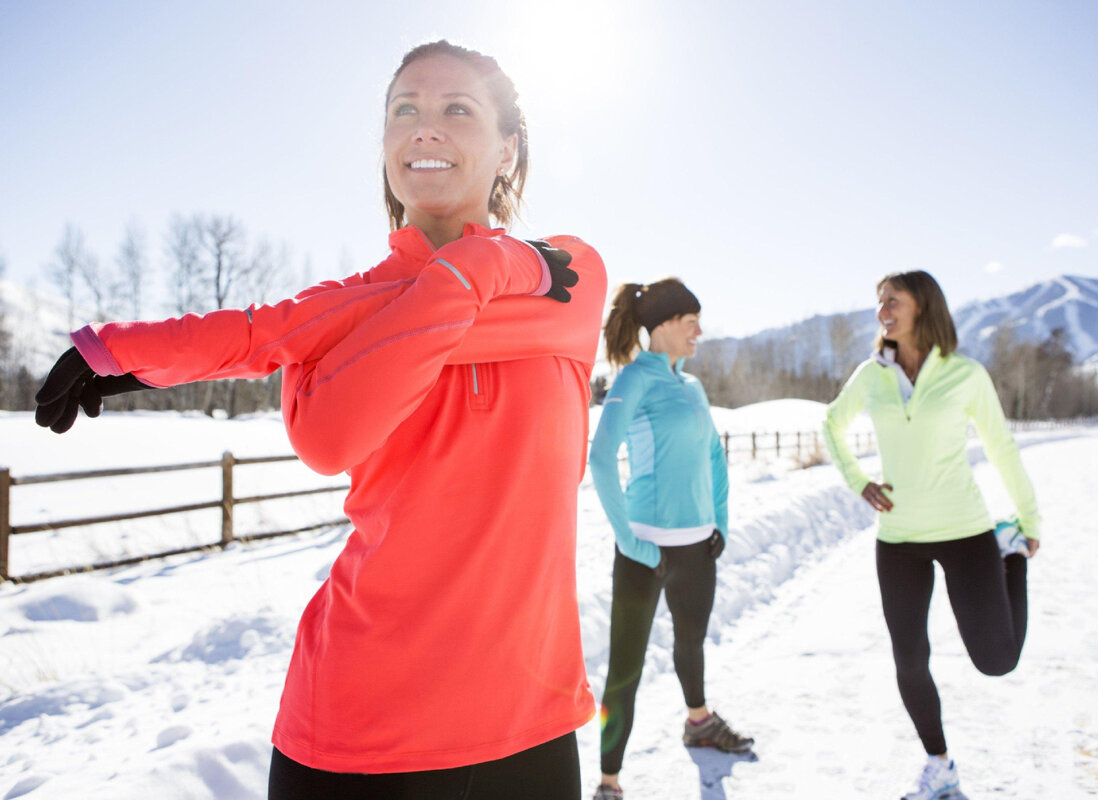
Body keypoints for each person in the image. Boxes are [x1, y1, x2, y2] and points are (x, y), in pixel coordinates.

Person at [34, 40, 607, 800]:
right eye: (404, 110)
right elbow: (327, 430)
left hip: (529, 727)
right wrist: (121, 351)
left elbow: (273, 335)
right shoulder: (355, 306)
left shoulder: (568, 276)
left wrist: (477, 267)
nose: (424, 128)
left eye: (456, 109)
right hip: (355, 733)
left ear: (508, 151)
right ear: (384, 147)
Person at [822, 270, 1040, 800]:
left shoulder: (964, 374)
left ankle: (1011, 555)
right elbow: (831, 424)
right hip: (897, 539)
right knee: (910, 660)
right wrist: (858, 481)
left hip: (966, 532)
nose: (882, 312)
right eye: (879, 302)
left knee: (996, 661)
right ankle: (938, 765)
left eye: (891, 301)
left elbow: (1000, 447)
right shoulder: (871, 375)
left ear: (923, 305)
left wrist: (1028, 520)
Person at [587, 278, 753, 800]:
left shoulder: (694, 386)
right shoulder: (634, 379)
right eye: (690, 323)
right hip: (645, 551)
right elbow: (599, 458)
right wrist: (629, 540)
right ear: (661, 326)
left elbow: (713, 458)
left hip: (699, 548)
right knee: (625, 672)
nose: (699, 332)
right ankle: (609, 780)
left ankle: (698, 721)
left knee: (691, 645)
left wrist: (719, 521)